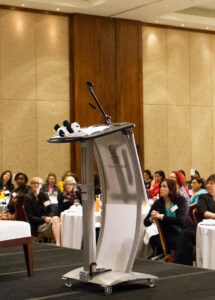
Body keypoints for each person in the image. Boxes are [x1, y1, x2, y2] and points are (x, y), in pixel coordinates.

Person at [144, 179, 196, 265]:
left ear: (171, 189)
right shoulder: (158, 203)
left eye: (164, 186)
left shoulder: (181, 201)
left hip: (187, 229)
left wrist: (161, 217)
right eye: (160, 186)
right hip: (171, 235)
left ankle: (177, 266)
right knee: (185, 242)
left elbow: (181, 220)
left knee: (186, 236)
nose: (161, 189)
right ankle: (183, 268)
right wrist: (151, 218)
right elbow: (145, 222)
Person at [24, 177, 61, 246]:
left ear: (41, 186)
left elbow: (51, 209)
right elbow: (30, 217)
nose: (36, 185)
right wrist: (44, 220)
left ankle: (57, 243)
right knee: (59, 224)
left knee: (56, 219)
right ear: (31, 185)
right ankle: (58, 243)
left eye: (38, 183)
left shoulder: (44, 195)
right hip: (37, 224)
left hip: (48, 220)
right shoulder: (28, 198)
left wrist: (49, 217)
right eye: (34, 183)